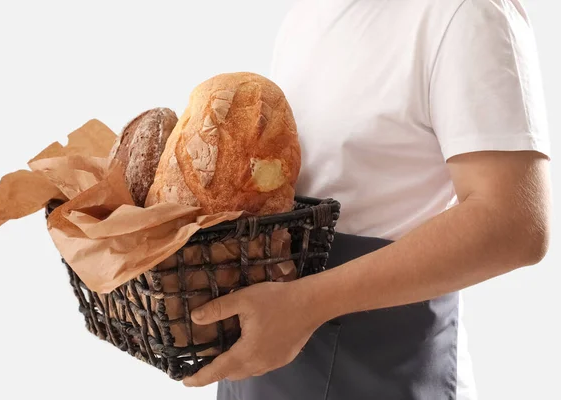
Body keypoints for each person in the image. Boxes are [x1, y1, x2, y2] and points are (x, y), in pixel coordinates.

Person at [183, 0, 552, 399]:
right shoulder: (305, 17)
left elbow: (514, 223)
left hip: (380, 368)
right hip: (271, 368)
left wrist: (305, 304)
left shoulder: (464, 12)